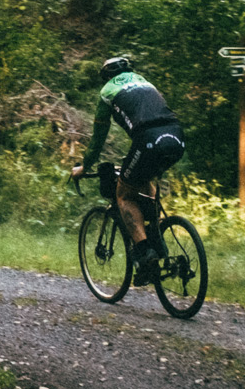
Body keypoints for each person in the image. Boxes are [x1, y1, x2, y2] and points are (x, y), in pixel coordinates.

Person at [71, 56, 184, 283]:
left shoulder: (107, 92)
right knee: (143, 180)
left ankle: (145, 253)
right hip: (176, 137)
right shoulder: (144, 82)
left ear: (105, 76)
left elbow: (98, 139)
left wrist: (85, 167)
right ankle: (156, 238)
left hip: (148, 139)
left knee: (123, 194)